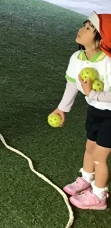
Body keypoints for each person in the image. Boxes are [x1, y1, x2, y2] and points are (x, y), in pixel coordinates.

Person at [49, 11, 111, 210]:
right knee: (90, 148)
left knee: (99, 157)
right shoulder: (77, 58)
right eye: (84, 25)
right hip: (95, 110)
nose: (81, 30)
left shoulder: (108, 62)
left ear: (102, 38)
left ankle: (99, 196)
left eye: (89, 28)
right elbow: (71, 85)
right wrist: (62, 109)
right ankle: (86, 178)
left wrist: (92, 93)